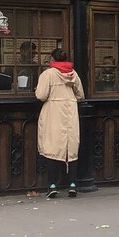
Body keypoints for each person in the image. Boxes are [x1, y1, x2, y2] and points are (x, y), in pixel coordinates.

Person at [34, 48, 84, 198]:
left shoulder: (48, 74)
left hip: (53, 112)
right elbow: (80, 95)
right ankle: (73, 184)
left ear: (52, 59)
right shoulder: (73, 74)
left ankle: (52, 185)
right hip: (70, 111)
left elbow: (41, 95)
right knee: (71, 147)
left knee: (52, 147)